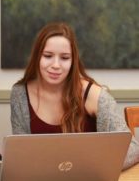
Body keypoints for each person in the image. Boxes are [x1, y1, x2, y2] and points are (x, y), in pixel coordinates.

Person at [10, 22, 139, 170]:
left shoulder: (95, 95)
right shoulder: (20, 94)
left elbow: (133, 149)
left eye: (64, 58)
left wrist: (92, 167)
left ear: (73, 61)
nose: (56, 65)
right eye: (48, 56)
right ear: (37, 57)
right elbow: (21, 153)